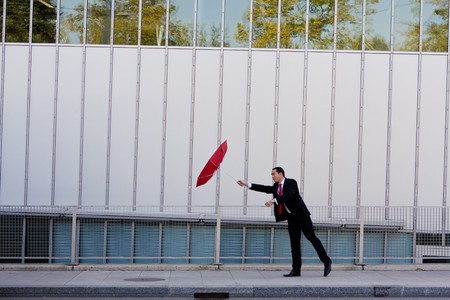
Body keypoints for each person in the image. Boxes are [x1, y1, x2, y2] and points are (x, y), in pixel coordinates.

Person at [237, 167, 332, 277]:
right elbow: (265, 188)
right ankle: (296, 270)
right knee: (294, 244)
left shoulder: (291, 182)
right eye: (271, 174)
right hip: (291, 219)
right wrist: (246, 184)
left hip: (302, 217)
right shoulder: (276, 186)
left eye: (274, 174)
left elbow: (289, 195)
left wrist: (274, 200)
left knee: (312, 238)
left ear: (280, 173)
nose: (272, 176)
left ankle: (326, 261)